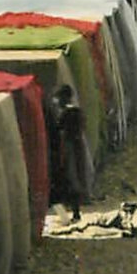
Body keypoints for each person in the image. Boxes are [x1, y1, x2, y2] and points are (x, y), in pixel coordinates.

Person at [48, 85, 91, 222]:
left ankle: (73, 213)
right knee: (75, 179)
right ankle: (73, 212)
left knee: (71, 180)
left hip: (69, 149)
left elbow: (59, 130)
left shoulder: (68, 113)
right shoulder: (76, 112)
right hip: (76, 148)